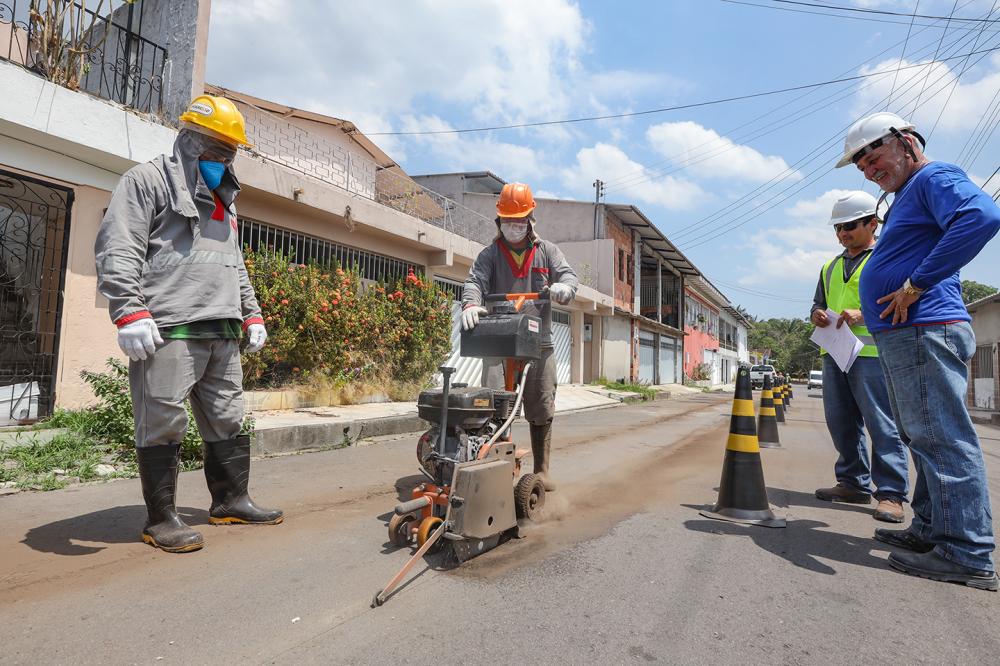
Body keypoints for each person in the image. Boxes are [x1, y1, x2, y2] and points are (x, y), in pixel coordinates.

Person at [95, 95, 282, 553]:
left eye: (231, 152)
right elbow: (119, 247)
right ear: (188, 142)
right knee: (162, 420)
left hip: (222, 330)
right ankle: (161, 519)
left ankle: (231, 499)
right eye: (216, 150)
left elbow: (234, 263)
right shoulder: (146, 181)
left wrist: (252, 312)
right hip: (169, 326)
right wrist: (129, 310)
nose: (224, 160)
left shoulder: (224, 201)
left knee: (228, 416)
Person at [837, 111, 999, 590]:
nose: (869, 169)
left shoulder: (934, 176)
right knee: (922, 435)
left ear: (906, 141)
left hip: (925, 328)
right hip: (906, 333)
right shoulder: (909, 192)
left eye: (874, 156)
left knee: (942, 436)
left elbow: (982, 216)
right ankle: (931, 528)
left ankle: (966, 549)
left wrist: (915, 283)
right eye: (861, 165)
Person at [461, 182, 578, 492]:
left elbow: (568, 276)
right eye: (508, 220)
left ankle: (542, 471)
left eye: (520, 220)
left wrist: (565, 288)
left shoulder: (547, 252)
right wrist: (471, 304)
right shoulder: (489, 255)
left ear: (530, 220)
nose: (514, 226)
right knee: (494, 401)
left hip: (540, 343)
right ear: (499, 221)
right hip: (499, 341)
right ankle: (496, 465)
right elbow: (474, 282)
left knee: (541, 405)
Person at [810, 191, 909, 523]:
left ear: (872, 223)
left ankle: (891, 494)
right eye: (838, 228)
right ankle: (853, 483)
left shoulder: (887, 258)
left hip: (873, 354)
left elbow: (902, 301)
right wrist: (818, 315)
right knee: (840, 423)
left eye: (850, 226)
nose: (843, 234)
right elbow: (817, 305)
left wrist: (863, 314)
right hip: (835, 353)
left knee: (882, 424)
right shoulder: (829, 266)